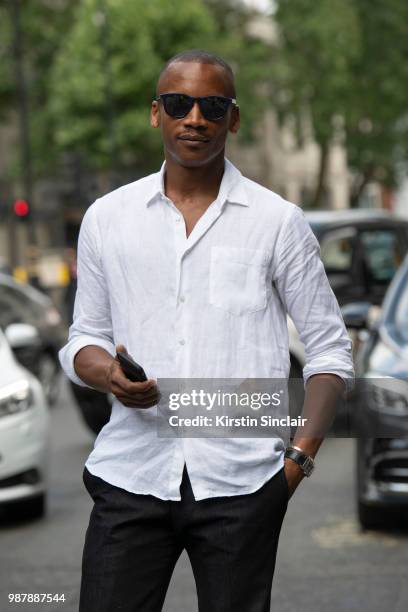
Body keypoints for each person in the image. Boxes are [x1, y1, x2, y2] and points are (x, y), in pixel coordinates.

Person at [59, 50, 354, 612]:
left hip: (243, 488)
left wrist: (296, 465)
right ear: (156, 113)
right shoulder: (107, 218)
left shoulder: (277, 222)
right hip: (130, 475)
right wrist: (110, 375)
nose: (195, 117)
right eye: (179, 103)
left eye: (212, 106)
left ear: (233, 119)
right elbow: (83, 338)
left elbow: (329, 352)